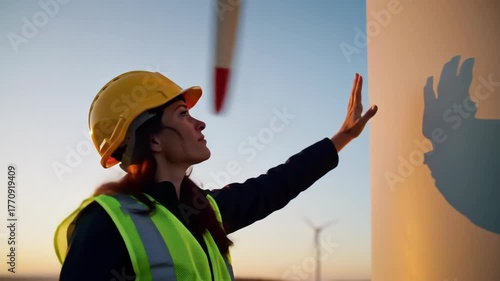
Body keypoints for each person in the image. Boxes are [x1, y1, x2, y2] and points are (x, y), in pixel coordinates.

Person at [54, 70, 377, 281]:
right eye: (183, 114)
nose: (200, 124)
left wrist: (343, 138)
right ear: (152, 140)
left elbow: (277, 184)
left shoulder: (203, 210)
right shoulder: (105, 224)